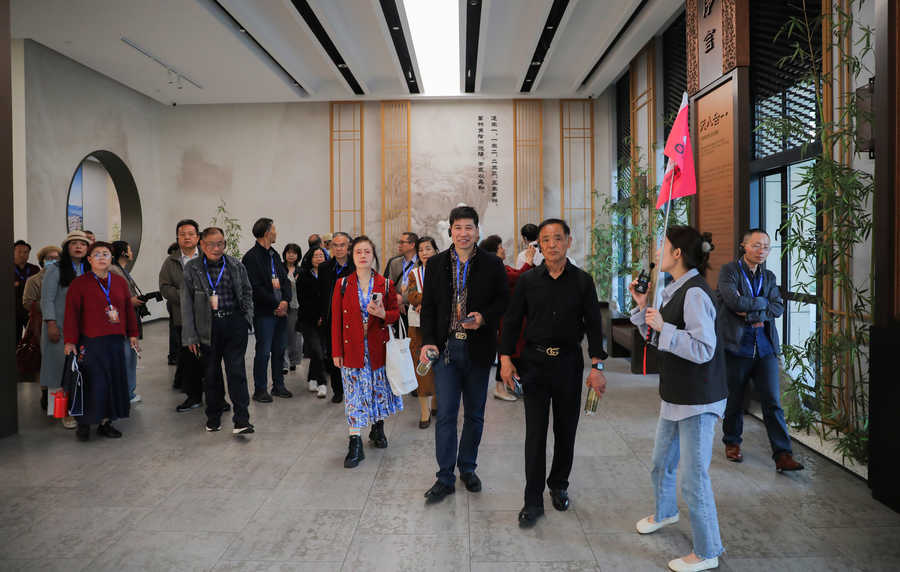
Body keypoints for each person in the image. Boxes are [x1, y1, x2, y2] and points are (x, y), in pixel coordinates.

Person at [499, 219, 608, 527]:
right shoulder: (528, 280)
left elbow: (594, 327)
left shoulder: (583, 281)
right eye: (545, 240)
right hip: (534, 364)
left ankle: (559, 485)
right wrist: (505, 359)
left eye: (557, 238)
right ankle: (532, 500)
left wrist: (597, 367)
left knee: (565, 429)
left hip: (568, 364)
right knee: (535, 433)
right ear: (539, 245)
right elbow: (511, 321)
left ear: (568, 242)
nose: (551, 245)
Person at [630, 226, 726, 572]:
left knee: (694, 478)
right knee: (661, 462)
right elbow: (658, 339)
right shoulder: (673, 289)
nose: (659, 250)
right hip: (675, 395)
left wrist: (663, 328)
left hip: (698, 399)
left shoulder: (695, 293)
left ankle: (707, 550)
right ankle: (666, 511)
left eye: (664, 244)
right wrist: (643, 308)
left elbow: (703, 348)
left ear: (677, 254)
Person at [419, 206, 509, 503]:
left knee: (474, 414)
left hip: (478, 348)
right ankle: (444, 477)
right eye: (458, 227)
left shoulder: (493, 264)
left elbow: (503, 301)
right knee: (445, 414)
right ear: (450, 231)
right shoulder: (436, 264)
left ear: (477, 231)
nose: (463, 233)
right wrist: (428, 341)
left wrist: (484, 317)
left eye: (469, 227)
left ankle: (468, 468)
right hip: (445, 349)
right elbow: (428, 307)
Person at [718, 229, 803, 472]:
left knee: (773, 401)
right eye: (756, 245)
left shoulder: (769, 276)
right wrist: (762, 303)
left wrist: (750, 312)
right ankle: (732, 442)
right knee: (735, 399)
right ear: (743, 246)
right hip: (737, 346)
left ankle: (782, 454)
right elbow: (733, 302)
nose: (762, 250)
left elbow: (777, 308)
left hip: (765, 347)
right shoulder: (729, 272)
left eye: (766, 246)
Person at [330, 235, 403, 468]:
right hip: (351, 349)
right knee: (354, 395)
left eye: (367, 252)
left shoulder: (385, 284)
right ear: (352, 256)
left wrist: (383, 314)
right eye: (358, 252)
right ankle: (355, 442)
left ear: (373, 256)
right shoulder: (342, 284)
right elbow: (336, 322)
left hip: (377, 348)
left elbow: (395, 313)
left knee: (377, 390)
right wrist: (336, 351)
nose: (363, 256)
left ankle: (377, 427)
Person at [182, 227, 255, 435]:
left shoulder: (235, 265)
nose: (216, 248)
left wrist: (246, 317)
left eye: (220, 243)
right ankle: (213, 418)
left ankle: (242, 420)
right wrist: (190, 336)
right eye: (211, 244)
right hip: (208, 328)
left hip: (234, 325)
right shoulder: (192, 269)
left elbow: (247, 291)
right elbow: (186, 304)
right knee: (211, 375)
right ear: (202, 245)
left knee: (237, 373)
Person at [63, 241, 139, 441]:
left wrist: (133, 334)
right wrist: (70, 341)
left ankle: (106, 422)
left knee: (113, 382)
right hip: (90, 342)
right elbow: (71, 314)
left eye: (106, 254)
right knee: (92, 382)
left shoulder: (119, 282)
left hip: (115, 341)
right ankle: (84, 423)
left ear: (111, 258)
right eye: (97, 254)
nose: (102, 257)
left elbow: (128, 310)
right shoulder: (79, 284)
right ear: (89, 260)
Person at [41, 231, 90, 429]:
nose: (78, 247)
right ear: (66, 247)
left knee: (80, 370)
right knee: (59, 371)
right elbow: (47, 299)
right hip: (59, 328)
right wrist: (51, 323)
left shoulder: (89, 269)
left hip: (83, 329)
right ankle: (62, 412)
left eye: (82, 244)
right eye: (74, 243)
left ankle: (78, 407)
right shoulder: (55, 269)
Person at [479, 234, 536, 401]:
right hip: (504, 316)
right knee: (506, 350)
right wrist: (528, 261)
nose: (504, 250)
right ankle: (499, 387)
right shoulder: (495, 269)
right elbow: (518, 278)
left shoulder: (503, 267)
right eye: (500, 247)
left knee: (515, 350)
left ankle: (513, 384)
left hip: (514, 314)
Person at [243, 217, 293, 402]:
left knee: (279, 350)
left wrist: (285, 301)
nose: (276, 233)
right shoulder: (251, 257)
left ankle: (278, 385)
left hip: (281, 311)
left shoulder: (274, 255)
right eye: (274, 229)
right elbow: (254, 287)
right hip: (265, 313)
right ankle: (260, 389)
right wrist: (275, 304)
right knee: (264, 352)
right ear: (266, 233)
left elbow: (285, 280)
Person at [160, 219, 205, 412]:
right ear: (177, 238)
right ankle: (193, 397)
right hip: (183, 318)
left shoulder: (207, 256)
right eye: (182, 234)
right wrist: (185, 297)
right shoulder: (171, 261)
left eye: (190, 234)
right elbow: (164, 287)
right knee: (189, 359)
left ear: (198, 237)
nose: (187, 237)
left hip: (207, 318)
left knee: (210, 358)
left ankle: (216, 397)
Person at [404, 236, 438, 428]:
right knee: (422, 367)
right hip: (417, 328)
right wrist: (428, 301)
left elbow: (447, 296)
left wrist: (424, 302)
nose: (425, 253)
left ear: (435, 251)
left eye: (428, 248)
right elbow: (411, 296)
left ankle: (436, 403)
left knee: (439, 366)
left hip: (440, 327)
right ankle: (425, 412)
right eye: (421, 250)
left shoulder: (444, 272)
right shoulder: (414, 273)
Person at [22, 245, 61, 410]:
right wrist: (48, 305)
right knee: (43, 359)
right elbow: (27, 302)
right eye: (49, 258)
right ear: (42, 260)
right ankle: (45, 392)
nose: (53, 261)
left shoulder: (64, 278)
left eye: (56, 258)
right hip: (40, 324)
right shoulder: (34, 280)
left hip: (62, 323)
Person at [319, 231, 353, 402]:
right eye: (335, 245)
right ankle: (338, 390)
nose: (339, 249)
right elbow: (321, 294)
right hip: (331, 318)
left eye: (342, 245)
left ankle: (352, 388)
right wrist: (321, 315)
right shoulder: (324, 268)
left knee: (352, 354)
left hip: (352, 319)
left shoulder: (356, 266)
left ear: (348, 247)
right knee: (334, 354)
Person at [110, 240, 145, 404]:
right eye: (129, 250)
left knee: (129, 355)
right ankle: (127, 393)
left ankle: (127, 391)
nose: (131, 253)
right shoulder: (114, 270)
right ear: (123, 252)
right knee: (127, 357)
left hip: (128, 317)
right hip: (122, 320)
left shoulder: (120, 270)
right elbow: (114, 297)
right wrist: (130, 302)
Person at [297, 246, 329, 398]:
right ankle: (322, 383)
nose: (319, 258)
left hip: (325, 319)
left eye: (321, 255)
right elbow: (302, 300)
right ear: (310, 258)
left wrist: (323, 315)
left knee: (320, 351)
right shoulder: (303, 275)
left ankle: (312, 378)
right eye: (316, 256)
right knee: (317, 350)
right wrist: (316, 316)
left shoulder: (328, 274)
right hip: (308, 320)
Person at [282, 243, 304, 373]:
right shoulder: (279, 268)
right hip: (282, 305)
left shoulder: (301, 271)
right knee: (281, 334)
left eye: (294, 253)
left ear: (298, 256)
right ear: (285, 254)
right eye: (289, 252)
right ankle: (284, 363)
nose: (291, 255)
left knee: (294, 335)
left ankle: (294, 360)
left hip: (296, 306)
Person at [14, 240, 40, 341]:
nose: (22, 255)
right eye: (19, 252)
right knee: (14, 338)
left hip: (30, 310)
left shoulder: (34, 269)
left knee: (33, 338)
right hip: (13, 310)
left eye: (25, 252)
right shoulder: (6, 268)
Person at [166, 242, 180, 365]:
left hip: (173, 301)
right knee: (175, 329)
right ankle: (174, 355)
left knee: (174, 328)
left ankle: (174, 355)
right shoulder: (170, 263)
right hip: (175, 302)